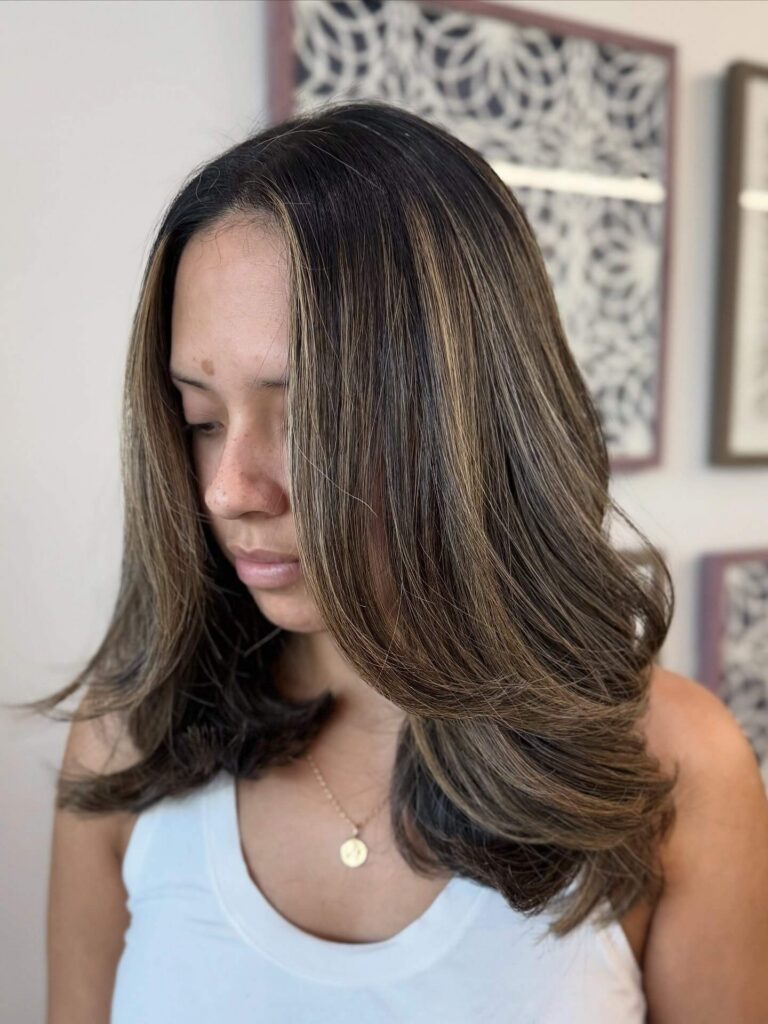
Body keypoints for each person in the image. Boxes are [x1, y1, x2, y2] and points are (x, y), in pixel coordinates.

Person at [22, 99, 768, 1022]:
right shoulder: (132, 732)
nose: (229, 489)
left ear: (466, 417)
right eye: (202, 421)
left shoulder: (676, 767)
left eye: (304, 419)